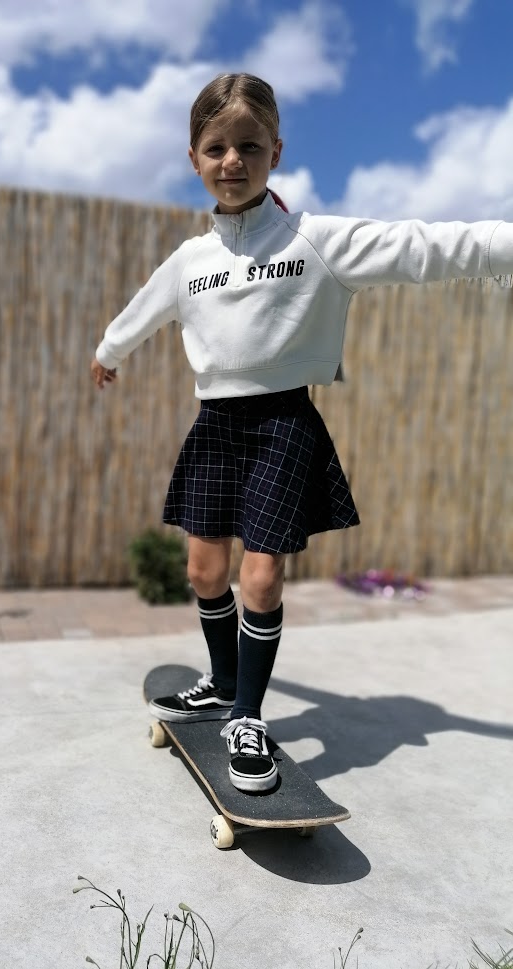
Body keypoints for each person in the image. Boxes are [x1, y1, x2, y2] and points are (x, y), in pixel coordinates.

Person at [90, 72, 512, 794]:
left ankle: (247, 714)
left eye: (248, 145)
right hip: (216, 424)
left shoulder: (315, 241)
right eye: (215, 147)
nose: (232, 160)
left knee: (260, 576)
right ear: (193, 158)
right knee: (201, 571)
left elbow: (425, 246)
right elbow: (143, 309)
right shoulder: (190, 261)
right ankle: (222, 682)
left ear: (275, 151)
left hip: (285, 422)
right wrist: (108, 351)